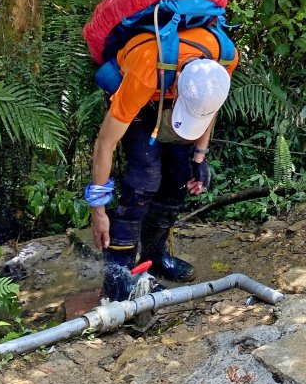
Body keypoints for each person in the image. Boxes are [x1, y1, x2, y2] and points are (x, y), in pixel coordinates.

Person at [88, 33, 237, 301]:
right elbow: (105, 144)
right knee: (143, 181)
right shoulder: (144, 70)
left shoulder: (223, 60)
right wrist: (97, 208)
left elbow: (208, 108)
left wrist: (199, 157)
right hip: (142, 102)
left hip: (176, 100)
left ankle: (154, 256)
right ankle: (119, 274)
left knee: (178, 177)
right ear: (178, 81)